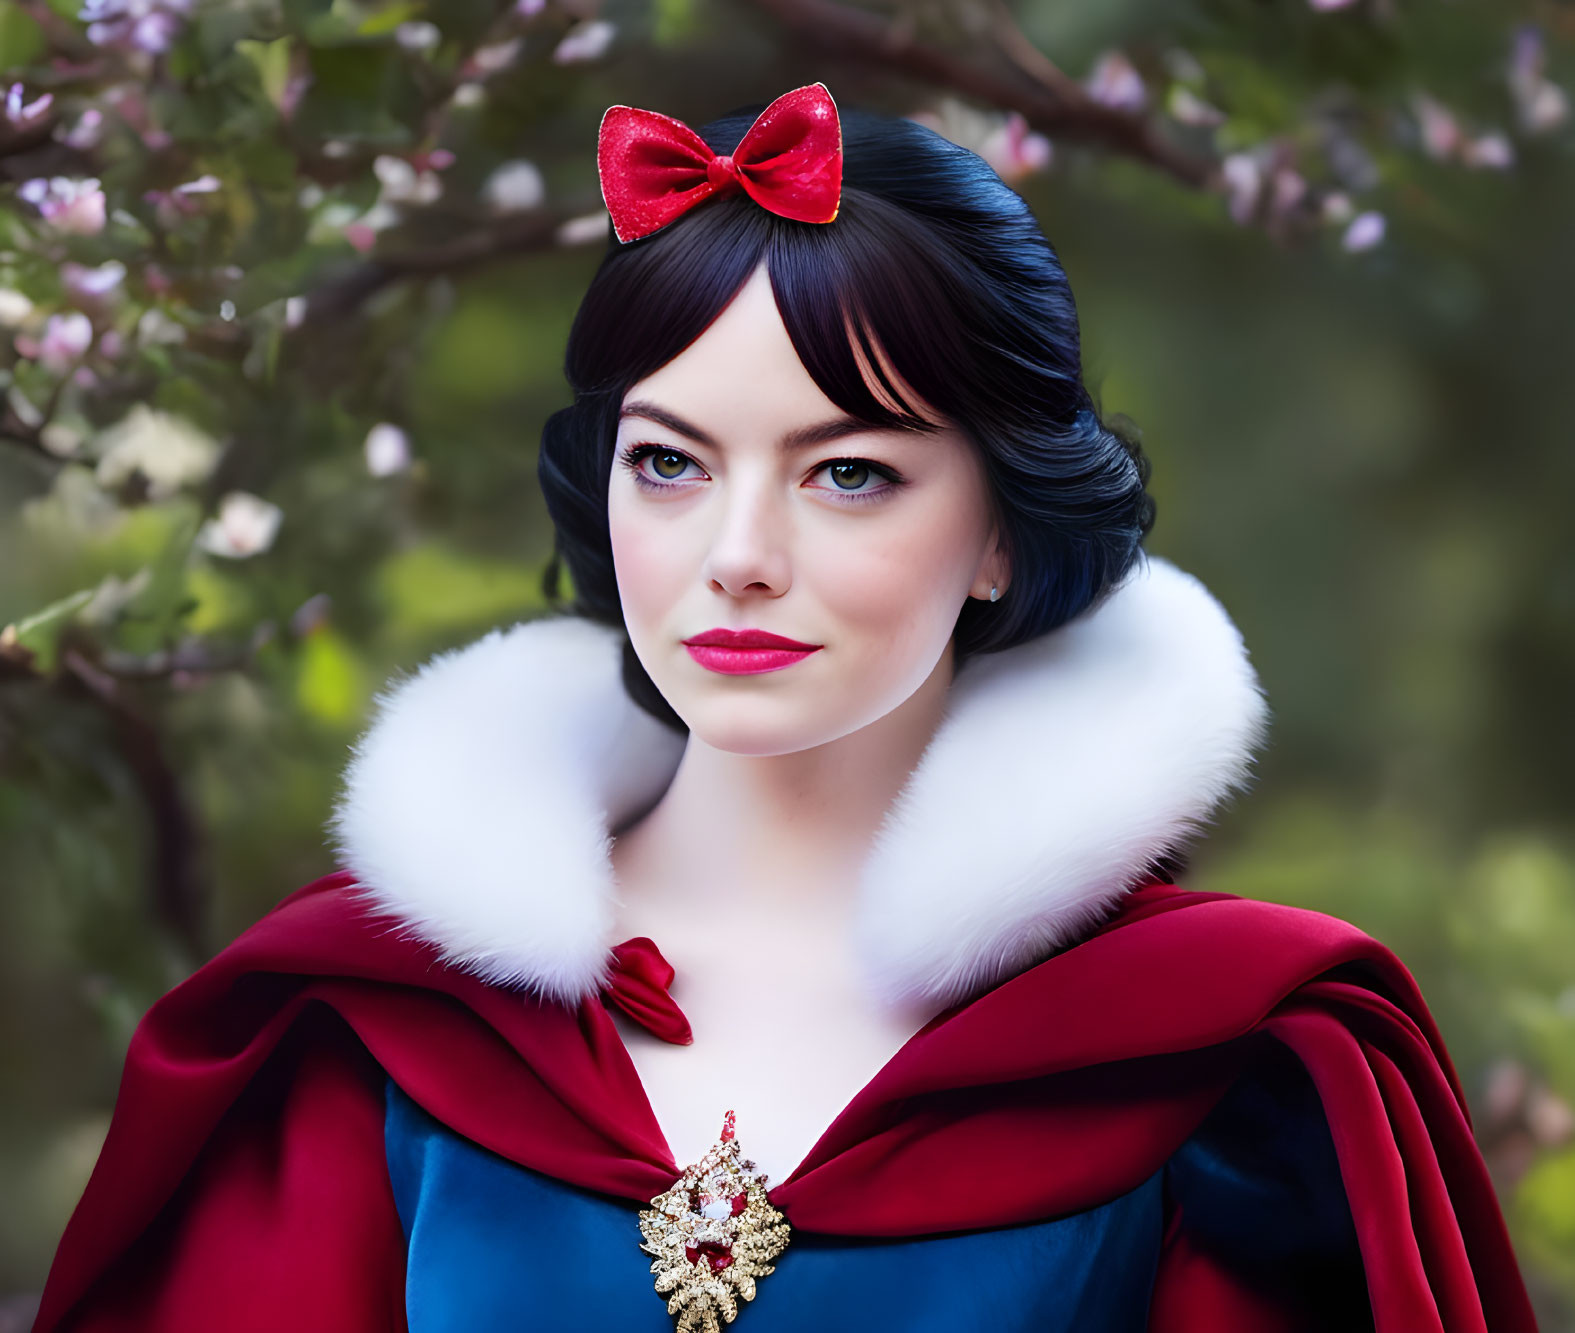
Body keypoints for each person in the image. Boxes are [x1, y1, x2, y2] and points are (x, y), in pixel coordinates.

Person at [33, 83, 1535, 1333]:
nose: (738, 559)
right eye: (670, 462)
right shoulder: (363, 1020)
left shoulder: (1228, 1060)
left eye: (851, 472)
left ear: (1004, 525)